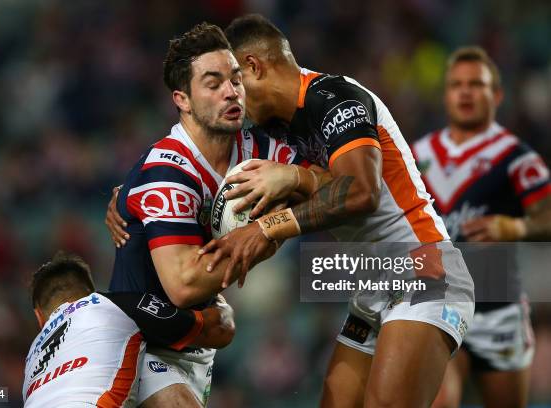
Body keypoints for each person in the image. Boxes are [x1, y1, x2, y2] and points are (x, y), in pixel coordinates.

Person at [195, 14, 475, 408]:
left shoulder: (335, 99)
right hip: (373, 285)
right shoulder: (274, 129)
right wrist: (132, 194)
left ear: (253, 67)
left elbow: (362, 191)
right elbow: (311, 188)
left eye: (231, 83)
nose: (229, 98)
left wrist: (270, 222)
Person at [105, 22, 318, 408]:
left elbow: (334, 184)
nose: (231, 91)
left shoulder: (259, 147)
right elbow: (183, 284)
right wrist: (265, 236)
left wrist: (295, 179)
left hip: (199, 347)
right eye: (213, 82)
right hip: (144, 344)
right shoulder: (167, 172)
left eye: (235, 79)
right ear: (182, 99)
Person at [411, 46, 551, 408]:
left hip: (497, 305)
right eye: (457, 84)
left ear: (497, 95)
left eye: (477, 84)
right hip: (437, 302)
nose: (466, 92)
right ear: (446, 94)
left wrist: (516, 229)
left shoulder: (517, 158)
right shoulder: (416, 154)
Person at [23, 252, 235, 407]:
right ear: (91, 292)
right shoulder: (109, 305)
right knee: (148, 367)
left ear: (39, 317)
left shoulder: (30, 361)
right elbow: (216, 330)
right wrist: (220, 304)